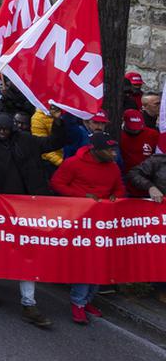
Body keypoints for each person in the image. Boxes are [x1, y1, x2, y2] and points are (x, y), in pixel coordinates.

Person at [50, 133, 126, 325]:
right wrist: (83, 196)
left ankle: (87, 300)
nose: (114, 153)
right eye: (110, 150)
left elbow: (119, 188)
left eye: (114, 149)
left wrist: (114, 198)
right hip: (80, 221)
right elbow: (57, 183)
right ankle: (78, 303)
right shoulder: (73, 163)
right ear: (97, 150)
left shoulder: (113, 167)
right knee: (87, 262)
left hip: (102, 222)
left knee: (100, 262)